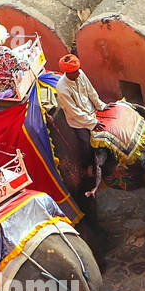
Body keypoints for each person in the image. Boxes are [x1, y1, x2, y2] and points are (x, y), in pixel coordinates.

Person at [54, 55, 108, 197]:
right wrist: (92, 123)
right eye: (75, 71)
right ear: (68, 73)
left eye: (78, 69)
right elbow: (74, 112)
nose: (78, 72)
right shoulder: (62, 88)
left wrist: (101, 106)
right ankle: (88, 167)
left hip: (92, 111)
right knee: (86, 143)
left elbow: (91, 91)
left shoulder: (80, 74)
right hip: (78, 121)